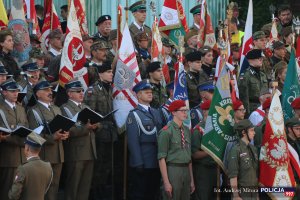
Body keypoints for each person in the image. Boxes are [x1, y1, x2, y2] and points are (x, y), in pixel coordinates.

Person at [27, 80, 69, 200]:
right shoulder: (34, 111)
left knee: (54, 187)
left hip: (58, 153)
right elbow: (33, 135)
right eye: (46, 90)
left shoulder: (56, 108)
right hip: (44, 154)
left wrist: (65, 134)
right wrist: (52, 137)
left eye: (50, 90)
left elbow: (62, 127)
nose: (50, 92)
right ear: (38, 94)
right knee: (43, 188)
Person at [84, 61, 118, 199]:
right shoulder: (93, 90)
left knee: (107, 166)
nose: (111, 74)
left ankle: (102, 189)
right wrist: (96, 125)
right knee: (98, 166)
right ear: (100, 74)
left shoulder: (110, 88)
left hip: (110, 132)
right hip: (98, 133)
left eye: (111, 72)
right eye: (108, 72)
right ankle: (94, 192)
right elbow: (88, 113)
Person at [126, 79, 163, 200]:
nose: (149, 93)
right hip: (143, 160)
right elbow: (133, 141)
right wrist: (138, 162)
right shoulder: (134, 114)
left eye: (150, 91)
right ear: (138, 94)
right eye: (146, 91)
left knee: (154, 193)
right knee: (141, 194)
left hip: (156, 160)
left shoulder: (156, 112)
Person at [60, 80, 97, 200]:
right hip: (76, 152)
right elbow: (68, 130)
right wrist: (86, 128)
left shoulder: (85, 106)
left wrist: (97, 125)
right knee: (73, 186)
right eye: (78, 91)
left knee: (84, 187)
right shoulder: (65, 108)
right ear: (70, 94)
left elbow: (95, 121)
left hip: (90, 150)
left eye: (82, 91)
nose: (81, 93)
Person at [158, 100, 195, 200]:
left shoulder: (186, 131)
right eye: (182, 111)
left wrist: (191, 179)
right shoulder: (166, 132)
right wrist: (166, 182)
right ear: (174, 112)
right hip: (173, 170)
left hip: (186, 170)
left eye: (186, 110)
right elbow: (161, 158)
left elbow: (189, 156)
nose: (185, 113)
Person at [0, 79, 29, 200]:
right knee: (7, 190)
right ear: (4, 92)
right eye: (12, 91)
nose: (15, 93)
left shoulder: (21, 108)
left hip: (22, 156)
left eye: (17, 91)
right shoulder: (1, 109)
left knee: (20, 191)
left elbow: (26, 127)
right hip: (8, 156)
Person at [8, 132, 53, 200]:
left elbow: (13, 195)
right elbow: (46, 190)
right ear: (39, 149)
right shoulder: (48, 166)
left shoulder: (23, 168)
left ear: (27, 148)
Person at [191, 99, 216, 200]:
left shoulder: (216, 129)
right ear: (205, 111)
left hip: (215, 168)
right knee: (203, 196)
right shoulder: (198, 130)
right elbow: (194, 154)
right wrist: (209, 152)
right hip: (203, 170)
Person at [227, 119, 259, 200]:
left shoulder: (253, 149)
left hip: (254, 193)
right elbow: (233, 176)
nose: (254, 133)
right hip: (242, 194)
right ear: (244, 132)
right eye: (251, 130)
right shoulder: (236, 150)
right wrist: (236, 196)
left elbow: (255, 173)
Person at [238, 49, 268, 115]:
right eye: (259, 59)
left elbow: (266, 93)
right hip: (252, 110)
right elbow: (243, 97)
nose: (261, 60)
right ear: (251, 60)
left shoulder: (263, 75)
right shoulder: (245, 76)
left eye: (262, 59)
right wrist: (247, 114)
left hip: (264, 108)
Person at [285, 117, 300, 196]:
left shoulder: (297, 142)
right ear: (290, 129)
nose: (299, 131)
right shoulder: (284, 144)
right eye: (297, 129)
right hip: (290, 182)